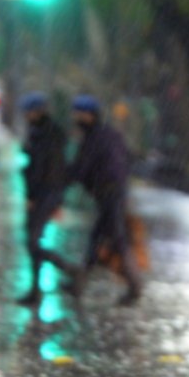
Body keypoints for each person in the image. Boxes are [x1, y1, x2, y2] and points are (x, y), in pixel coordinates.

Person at [63, 94, 143, 306]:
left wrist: (63, 179)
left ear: (89, 115)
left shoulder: (95, 138)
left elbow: (83, 167)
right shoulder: (108, 135)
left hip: (110, 194)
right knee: (97, 240)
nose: (76, 118)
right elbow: (126, 159)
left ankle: (135, 287)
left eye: (79, 114)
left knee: (118, 241)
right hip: (112, 193)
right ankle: (79, 283)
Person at [15, 92, 77, 306]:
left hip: (44, 195)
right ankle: (36, 289)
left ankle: (68, 269)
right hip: (47, 194)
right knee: (33, 242)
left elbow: (42, 170)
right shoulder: (45, 134)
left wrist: (33, 196)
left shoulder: (45, 136)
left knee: (33, 241)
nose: (26, 116)